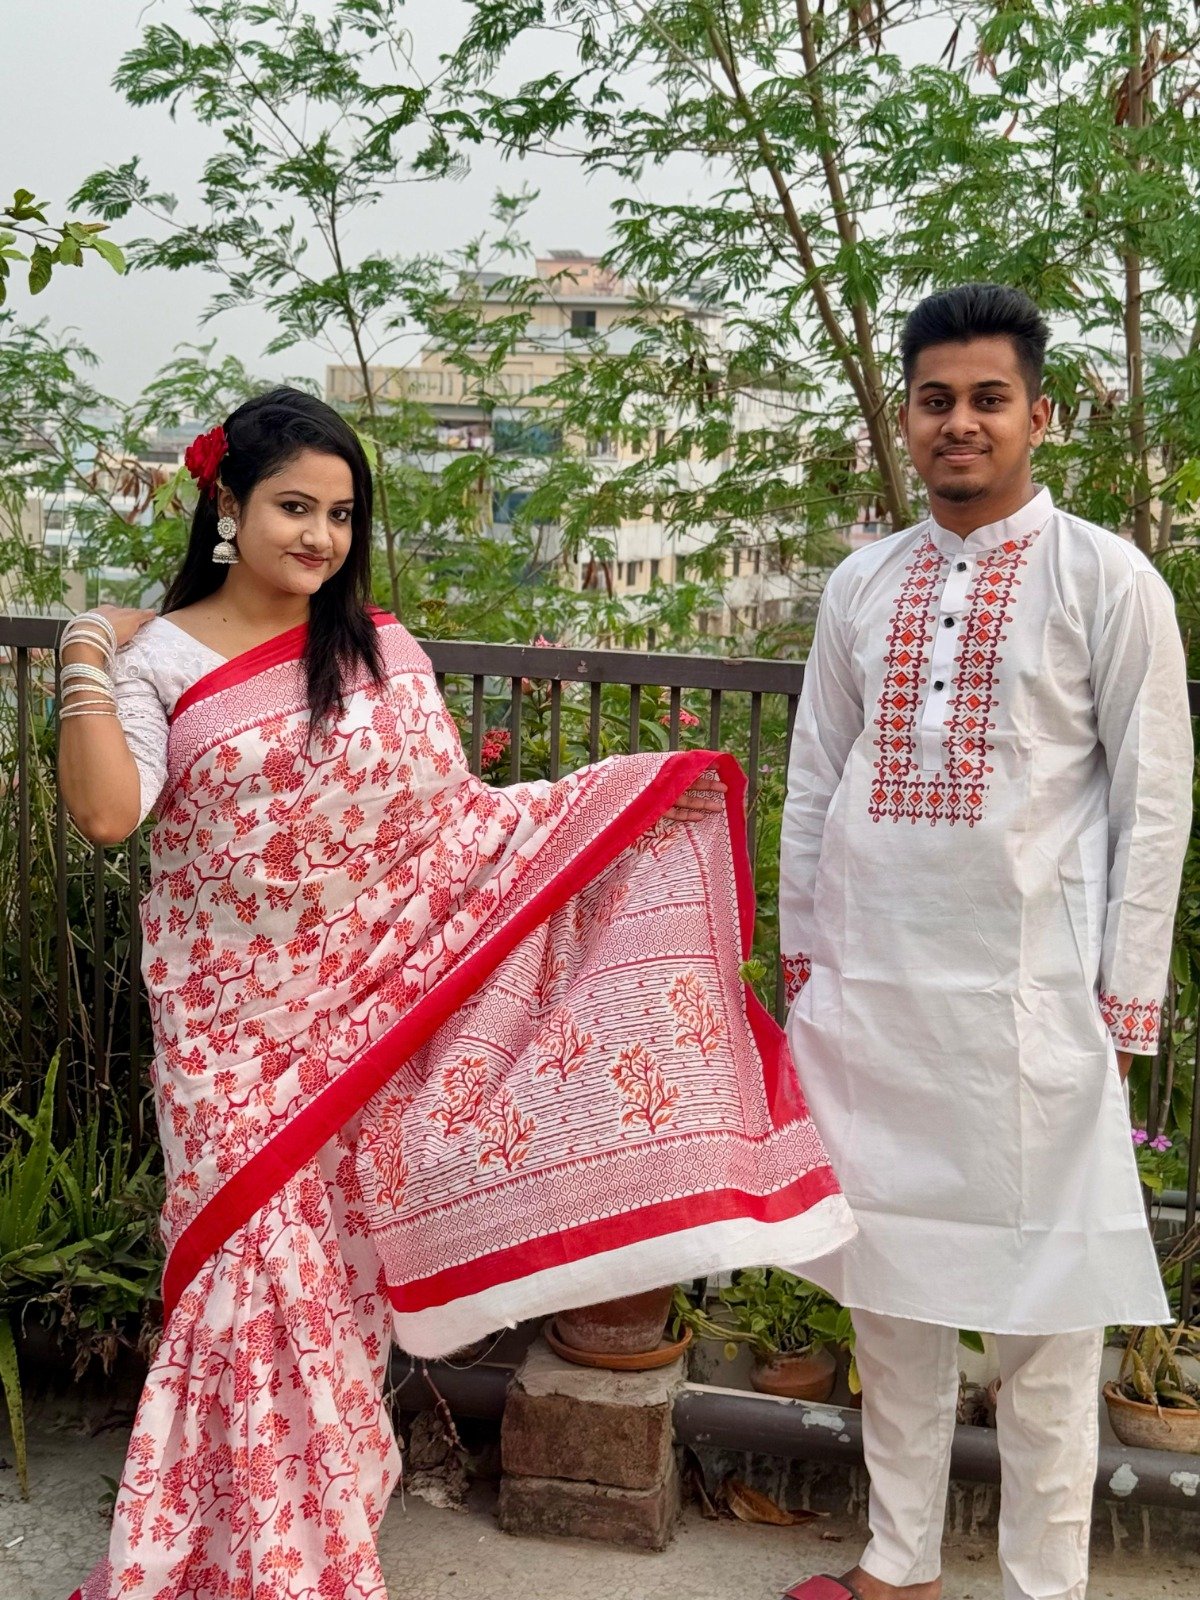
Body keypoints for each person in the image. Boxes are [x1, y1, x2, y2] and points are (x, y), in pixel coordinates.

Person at [58, 387, 854, 1600]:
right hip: (231, 1041)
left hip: (367, 1024)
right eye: (293, 507)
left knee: (329, 1305)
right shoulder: (163, 660)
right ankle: (226, 1557)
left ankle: (302, 1553)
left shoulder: (378, 649)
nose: (320, 537)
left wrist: (613, 807)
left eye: (340, 515)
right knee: (246, 1289)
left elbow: (452, 835)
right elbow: (111, 813)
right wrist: (86, 646)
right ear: (227, 502)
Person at [778, 285, 1192, 1600]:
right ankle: (898, 1561)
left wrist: (1126, 996)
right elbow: (815, 776)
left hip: (1032, 1002)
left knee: (1047, 1317)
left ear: (1039, 416)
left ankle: (1040, 1587)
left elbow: (1155, 796)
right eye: (936, 399)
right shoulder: (862, 584)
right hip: (875, 995)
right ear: (907, 417)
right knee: (890, 1289)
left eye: (988, 399)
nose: (959, 423)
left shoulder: (1106, 578)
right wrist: (805, 958)